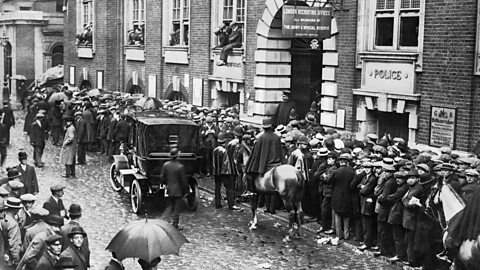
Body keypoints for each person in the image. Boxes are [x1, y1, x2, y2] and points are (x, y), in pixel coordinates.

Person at [244, 117, 282, 195]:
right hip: (277, 164)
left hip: (265, 166)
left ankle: (259, 201)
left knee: (259, 185)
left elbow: (256, 155)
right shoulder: (277, 137)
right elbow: (280, 152)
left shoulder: (261, 138)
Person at [329, 153, 355, 243]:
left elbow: (329, 181)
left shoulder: (336, 171)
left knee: (337, 216)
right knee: (346, 217)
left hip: (337, 196)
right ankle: (346, 235)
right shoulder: (352, 172)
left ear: (340, 162)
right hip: (348, 196)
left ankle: (339, 235)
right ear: (347, 162)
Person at [159, 148, 188, 229]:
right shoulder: (180, 166)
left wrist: (165, 184)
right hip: (178, 191)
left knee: (169, 207)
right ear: (177, 156)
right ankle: (175, 224)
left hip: (169, 189)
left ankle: (162, 220)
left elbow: (162, 177)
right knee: (176, 209)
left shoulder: (165, 165)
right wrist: (186, 191)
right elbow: (183, 180)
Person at [213, 133, 241, 211]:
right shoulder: (225, 151)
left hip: (217, 172)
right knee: (229, 189)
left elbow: (213, 163)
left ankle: (217, 203)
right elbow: (227, 163)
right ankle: (231, 205)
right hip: (226, 173)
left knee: (217, 188)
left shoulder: (215, 150)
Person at [1, 197, 23, 268]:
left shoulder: (3, 218)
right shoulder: (13, 223)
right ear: (15, 209)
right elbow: (14, 243)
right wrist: (16, 260)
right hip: (10, 258)